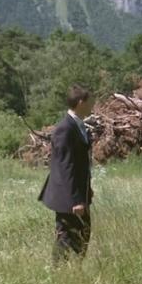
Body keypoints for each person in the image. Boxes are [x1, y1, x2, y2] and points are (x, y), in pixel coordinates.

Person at [38, 84, 95, 266]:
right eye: (90, 101)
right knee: (65, 235)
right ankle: (58, 272)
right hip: (67, 197)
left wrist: (87, 191)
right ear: (81, 103)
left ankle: (75, 270)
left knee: (83, 231)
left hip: (78, 194)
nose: (92, 104)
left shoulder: (78, 125)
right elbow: (65, 167)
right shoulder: (65, 128)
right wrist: (76, 199)